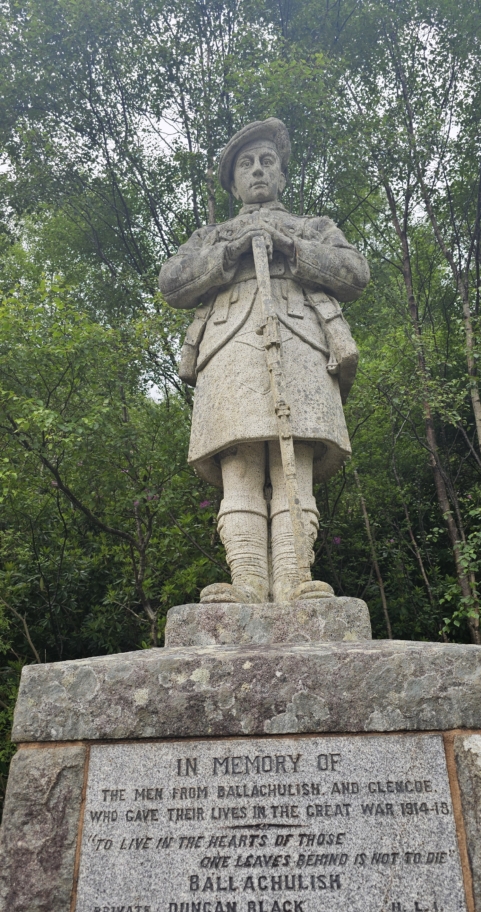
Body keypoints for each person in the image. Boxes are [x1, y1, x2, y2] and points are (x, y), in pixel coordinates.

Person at [159, 118, 369, 604]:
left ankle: (293, 580)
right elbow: (172, 282)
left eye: (266, 162)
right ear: (233, 183)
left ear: (281, 174)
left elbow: (355, 273)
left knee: (295, 461)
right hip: (228, 346)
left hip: (301, 341)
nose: (257, 171)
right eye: (246, 164)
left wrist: (292, 247)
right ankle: (247, 583)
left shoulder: (311, 228)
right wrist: (227, 255)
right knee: (241, 464)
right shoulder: (210, 236)